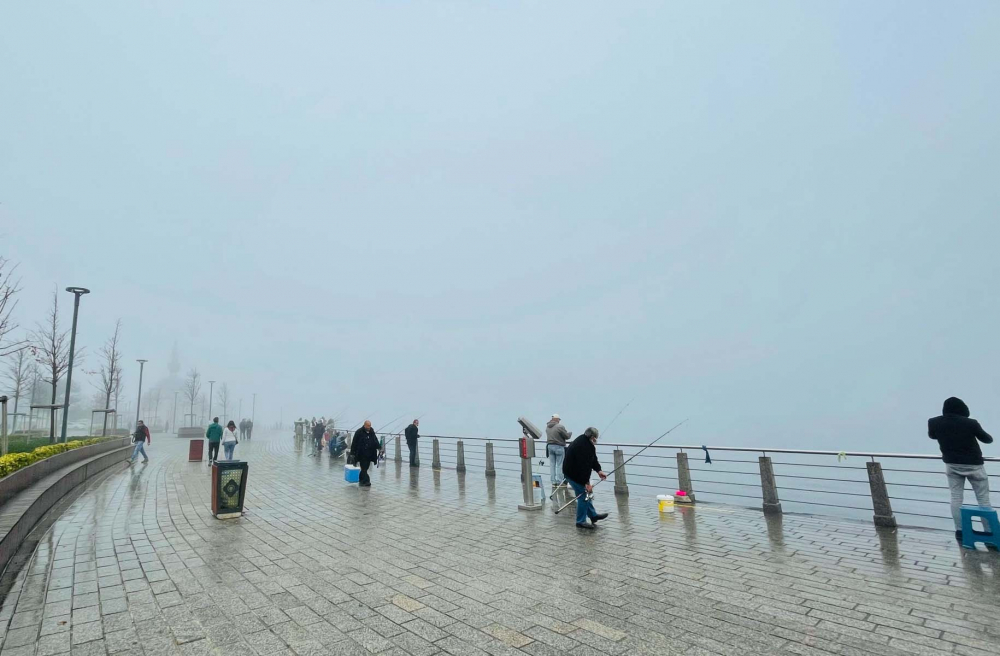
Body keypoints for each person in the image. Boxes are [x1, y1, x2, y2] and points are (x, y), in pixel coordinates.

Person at [928, 397, 994, 539]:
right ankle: (989, 532)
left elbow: (932, 436)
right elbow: (987, 439)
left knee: (956, 497)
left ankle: (960, 531)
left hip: (952, 465)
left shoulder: (934, 422)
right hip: (974, 465)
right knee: (983, 499)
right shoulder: (970, 423)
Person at [562, 427, 609, 530]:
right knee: (583, 496)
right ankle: (580, 521)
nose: (596, 440)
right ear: (592, 437)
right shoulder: (582, 446)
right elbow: (583, 467)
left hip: (574, 472)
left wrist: (599, 470)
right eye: (596, 438)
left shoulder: (587, 443)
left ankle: (593, 516)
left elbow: (593, 459)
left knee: (586, 495)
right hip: (572, 474)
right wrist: (586, 483)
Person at [350, 420, 381, 487]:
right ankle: (366, 481)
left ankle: (361, 480)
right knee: (363, 467)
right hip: (361, 453)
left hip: (370, 453)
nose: (369, 427)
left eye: (370, 426)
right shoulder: (359, 432)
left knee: (366, 467)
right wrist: (352, 453)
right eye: (367, 426)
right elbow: (354, 442)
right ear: (364, 425)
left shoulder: (372, 432)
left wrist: (379, 447)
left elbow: (375, 440)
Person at [546, 414, 572, 488]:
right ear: (557, 419)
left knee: (552, 465)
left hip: (550, 446)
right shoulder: (559, 426)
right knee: (560, 465)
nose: (559, 421)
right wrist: (570, 433)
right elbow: (566, 436)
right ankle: (560, 482)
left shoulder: (547, 426)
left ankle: (553, 482)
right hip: (559, 446)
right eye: (559, 419)